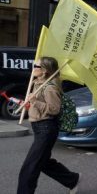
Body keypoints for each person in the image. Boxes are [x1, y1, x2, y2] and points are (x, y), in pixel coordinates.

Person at [17, 57, 80, 194]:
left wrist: (35, 101)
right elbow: (38, 106)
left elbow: (54, 109)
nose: (33, 68)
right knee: (43, 163)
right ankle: (72, 179)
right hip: (39, 128)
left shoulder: (50, 87)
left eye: (36, 66)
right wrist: (28, 105)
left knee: (30, 166)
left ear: (44, 71)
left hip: (46, 128)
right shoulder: (37, 83)